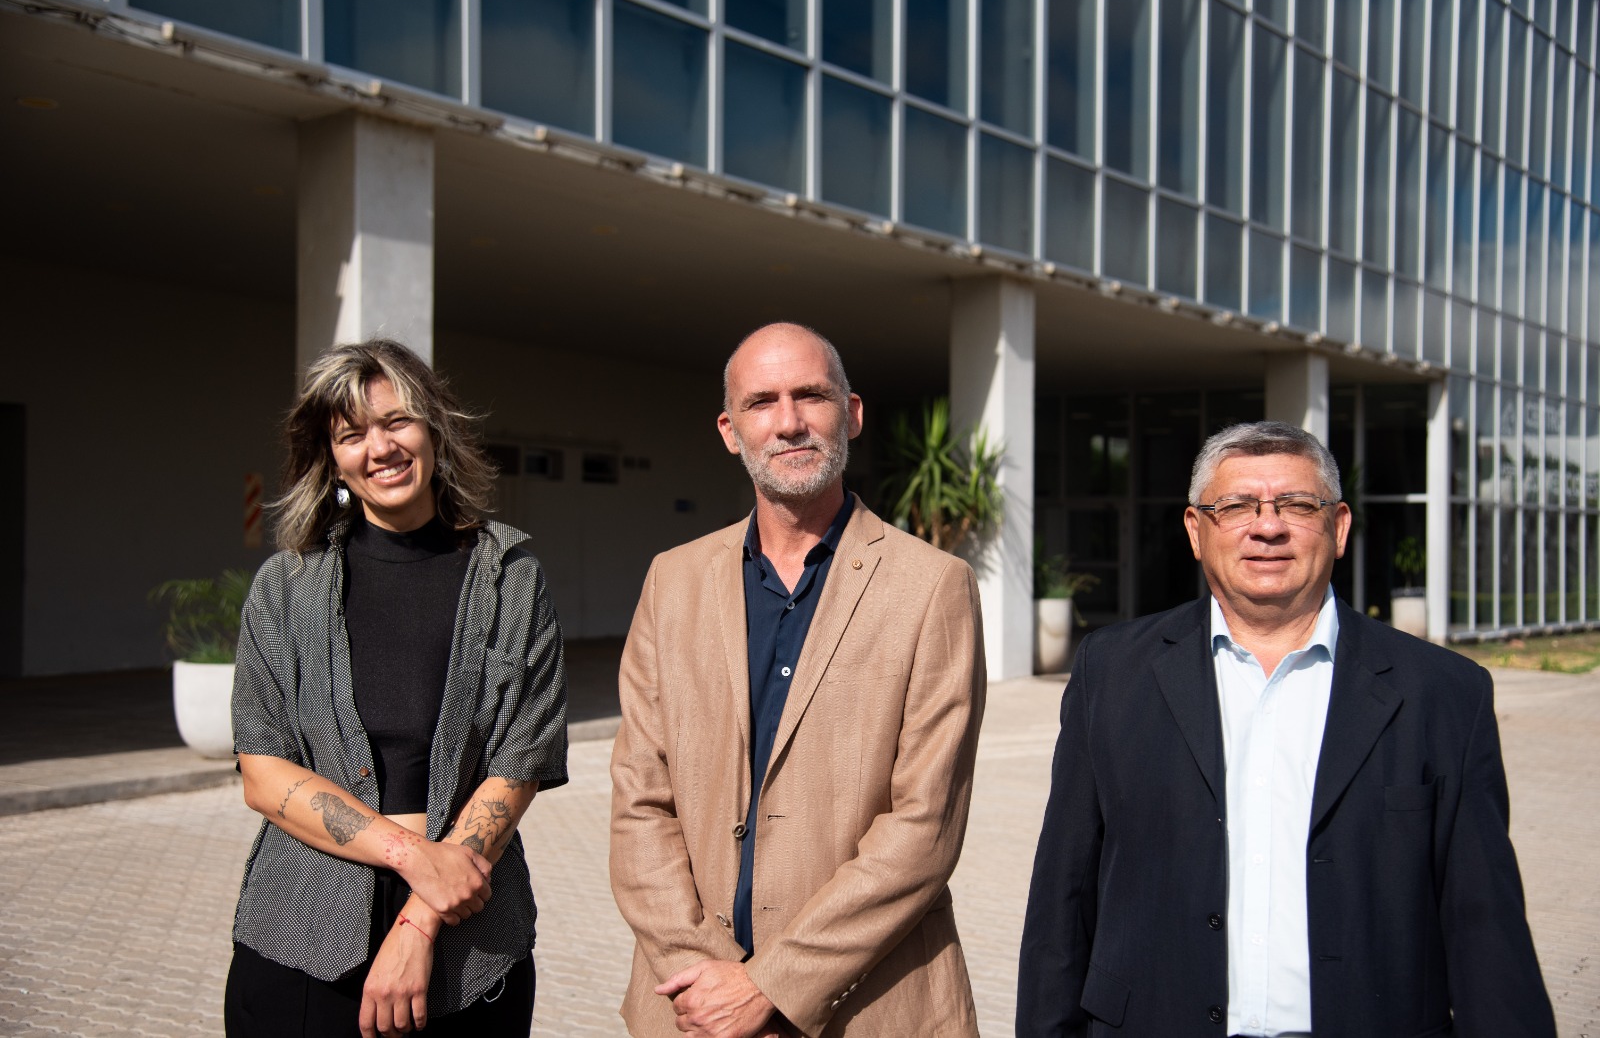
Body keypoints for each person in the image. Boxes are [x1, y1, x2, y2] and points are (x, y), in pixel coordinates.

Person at [1016, 420, 1556, 1038]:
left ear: (1339, 527)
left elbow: (1485, 925)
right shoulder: (1112, 673)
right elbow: (1062, 899)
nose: (1267, 527)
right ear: (1195, 530)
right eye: (1235, 506)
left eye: (1297, 505)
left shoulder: (1443, 693)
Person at [609, 322, 987, 1038]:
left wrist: (773, 987)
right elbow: (639, 800)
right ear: (730, 430)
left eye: (810, 395)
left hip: (868, 1007)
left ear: (851, 414)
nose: (788, 422)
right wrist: (709, 978)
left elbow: (925, 826)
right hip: (693, 1007)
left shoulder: (933, 586)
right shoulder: (672, 580)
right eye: (762, 402)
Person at [224, 339, 569, 1038]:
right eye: (351, 435)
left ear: (435, 428)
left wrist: (419, 920)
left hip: (471, 942)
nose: (379, 448)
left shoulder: (511, 578)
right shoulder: (285, 587)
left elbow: (520, 762)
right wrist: (412, 858)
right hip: (302, 937)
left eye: (396, 422)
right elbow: (263, 773)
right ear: (332, 459)